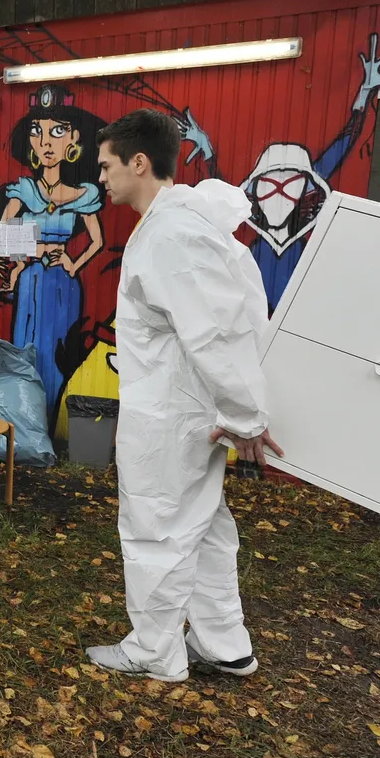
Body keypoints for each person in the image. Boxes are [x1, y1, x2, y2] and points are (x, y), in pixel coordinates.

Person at [89, 108, 283, 682]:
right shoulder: (184, 225)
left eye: (106, 165)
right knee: (205, 526)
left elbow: (216, 330)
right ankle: (225, 644)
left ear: (139, 162)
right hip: (190, 410)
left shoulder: (172, 233)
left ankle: (153, 651)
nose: (101, 177)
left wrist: (246, 415)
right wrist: (236, 411)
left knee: (156, 526)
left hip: (171, 416)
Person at [0, 85, 107, 427]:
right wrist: (36, 250)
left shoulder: (82, 195)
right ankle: (22, 424)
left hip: (62, 288)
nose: (46, 142)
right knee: (27, 349)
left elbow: (96, 241)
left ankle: (48, 426)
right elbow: (1, 234)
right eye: (37, 132)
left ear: (73, 139)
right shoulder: (24, 190)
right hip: (30, 283)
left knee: (56, 355)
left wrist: (73, 262)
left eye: (57, 132)